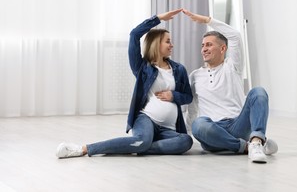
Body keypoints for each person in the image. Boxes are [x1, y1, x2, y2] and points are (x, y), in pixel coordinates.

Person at [56, 9, 193, 158]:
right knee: (142, 140)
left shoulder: (179, 69)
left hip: (169, 128)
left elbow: (188, 97)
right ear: (156, 44)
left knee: (185, 141)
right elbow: (134, 34)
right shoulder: (143, 68)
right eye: (168, 41)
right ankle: (85, 149)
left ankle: (139, 146)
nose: (171, 45)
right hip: (146, 119)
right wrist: (158, 18)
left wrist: (173, 95)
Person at [182, 9, 278, 163]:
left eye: (209, 45)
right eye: (202, 45)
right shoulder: (195, 76)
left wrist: (207, 20)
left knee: (259, 92)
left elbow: (235, 36)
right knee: (198, 124)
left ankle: (255, 140)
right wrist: (184, 135)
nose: (204, 49)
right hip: (212, 131)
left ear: (222, 49)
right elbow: (192, 109)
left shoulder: (232, 67)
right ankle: (251, 146)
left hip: (237, 125)